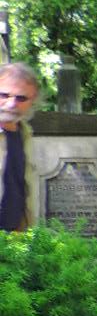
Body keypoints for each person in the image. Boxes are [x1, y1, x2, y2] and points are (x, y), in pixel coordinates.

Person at [0, 62, 40, 232]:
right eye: (3, 95)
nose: (11, 103)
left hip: (12, 240)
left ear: (33, 101)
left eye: (21, 98)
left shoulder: (24, 135)